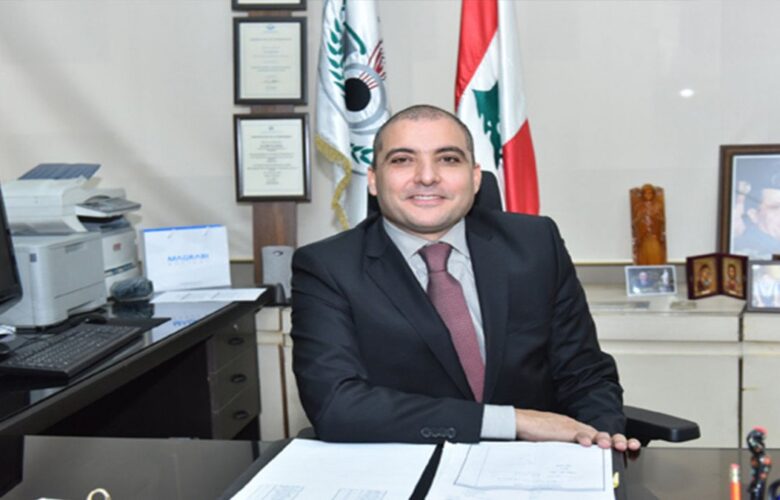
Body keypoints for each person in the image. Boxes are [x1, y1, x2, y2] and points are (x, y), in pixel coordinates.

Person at [291, 104, 639, 452]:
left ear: (475, 178)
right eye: (402, 160)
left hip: (536, 464)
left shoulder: (536, 244)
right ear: (372, 179)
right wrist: (511, 421)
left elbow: (584, 373)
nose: (427, 177)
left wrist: (600, 443)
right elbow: (336, 404)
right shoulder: (327, 267)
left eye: (448, 159)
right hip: (406, 464)